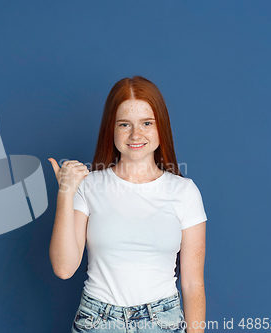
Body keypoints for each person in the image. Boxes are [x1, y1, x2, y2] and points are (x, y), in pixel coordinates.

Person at [48, 76, 207, 333]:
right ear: (111, 129)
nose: (136, 134)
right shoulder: (89, 186)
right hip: (97, 321)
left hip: (162, 322)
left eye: (146, 123)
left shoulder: (185, 192)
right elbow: (64, 268)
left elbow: (192, 284)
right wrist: (66, 192)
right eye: (124, 124)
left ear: (161, 127)